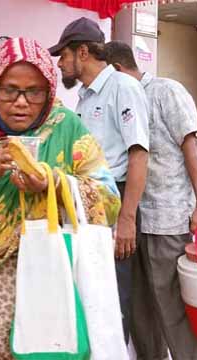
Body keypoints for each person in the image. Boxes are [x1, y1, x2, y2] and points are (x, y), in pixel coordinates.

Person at [0, 37, 121, 359]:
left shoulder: (64, 127)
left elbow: (109, 200)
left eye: (35, 92)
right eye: (10, 90)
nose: (22, 102)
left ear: (49, 91)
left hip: (36, 276)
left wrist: (51, 183)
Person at [105, 40, 197, 360]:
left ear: (118, 71)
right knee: (140, 312)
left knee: (173, 311)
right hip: (132, 222)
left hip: (167, 220)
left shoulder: (166, 92)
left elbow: (191, 149)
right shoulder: (119, 101)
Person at [49, 17, 150, 344]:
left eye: (63, 56)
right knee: (93, 291)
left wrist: (126, 219)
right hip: (88, 201)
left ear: (82, 52)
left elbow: (139, 155)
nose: (60, 63)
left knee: (114, 295)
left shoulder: (123, 87)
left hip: (117, 199)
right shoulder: (85, 96)